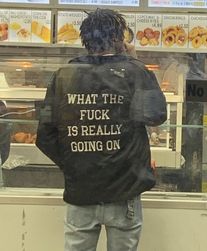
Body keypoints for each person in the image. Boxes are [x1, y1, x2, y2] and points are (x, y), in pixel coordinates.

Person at [36, 8, 167, 251]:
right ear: (119, 39)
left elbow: (45, 137)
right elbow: (155, 116)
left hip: (81, 191)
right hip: (124, 190)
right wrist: (135, 60)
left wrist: (76, 163)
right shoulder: (135, 72)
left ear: (85, 40)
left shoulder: (64, 75)